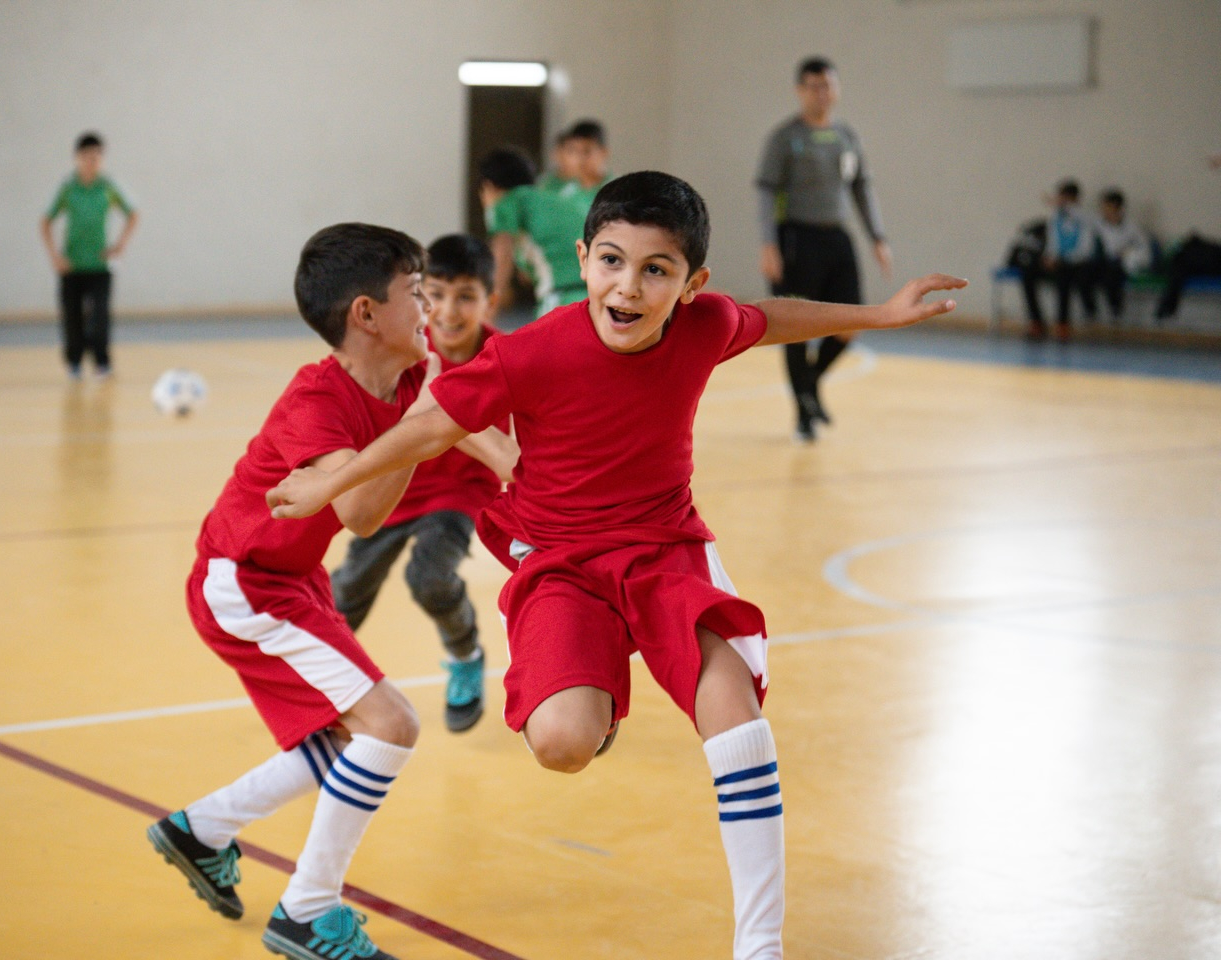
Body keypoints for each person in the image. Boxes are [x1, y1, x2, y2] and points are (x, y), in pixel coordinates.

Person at [267, 171, 966, 959]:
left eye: (655, 271)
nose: (627, 287)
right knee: (563, 743)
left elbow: (770, 319)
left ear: (691, 285)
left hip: (664, 550)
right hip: (560, 562)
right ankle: (586, 686)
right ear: (581, 259)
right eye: (610, 261)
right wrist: (333, 477)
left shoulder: (705, 326)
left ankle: (759, 946)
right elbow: (431, 424)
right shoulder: (534, 352)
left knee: (735, 716)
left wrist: (882, 313)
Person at [145, 223, 515, 960]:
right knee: (393, 725)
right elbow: (363, 512)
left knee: (347, 738)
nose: (433, 310)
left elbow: (483, 438)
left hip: (291, 579)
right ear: (365, 314)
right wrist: (425, 426)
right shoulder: (316, 401)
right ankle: (309, 910)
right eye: (417, 292)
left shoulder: (413, 373)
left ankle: (202, 830)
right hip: (244, 584)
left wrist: (521, 470)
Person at [330, 234, 509, 733]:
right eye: (437, 294)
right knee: (343, 596)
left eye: (467, 296)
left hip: (459, 494)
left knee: (430, 578)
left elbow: (516, 443)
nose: (449, 311)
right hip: (394, 488)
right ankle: (324, 684)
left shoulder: (504, 358)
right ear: (419, 297)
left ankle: (465, 652)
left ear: (490, 301)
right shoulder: (403, 349)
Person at [756, 57, 891, 443]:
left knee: (850, 324)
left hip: (837, 238)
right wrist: (768, 243)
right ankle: (803, 413)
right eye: (814, 86)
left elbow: (862, 187)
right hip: (796, 239)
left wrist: (878, 237)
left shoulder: (847, 135)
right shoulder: (785, 137)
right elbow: (766, 191)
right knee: (796, 328)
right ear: (801, 90)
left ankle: (809, 384)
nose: (822, 93)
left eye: (828, 85)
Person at [488, 119, 611, 319]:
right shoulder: (557, 192)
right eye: (573, 151)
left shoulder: (615, 193)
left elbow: (503, 249)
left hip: (586, 283)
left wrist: (491, 304)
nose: (579, 159)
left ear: (603, 152)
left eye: (586, 151)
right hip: (567, 284)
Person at [40, 132, 138, 379]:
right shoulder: (68, 188)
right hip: (72, 265)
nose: (91, 161)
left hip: (100, 264)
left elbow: (132, 213)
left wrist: (120, 245)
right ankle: (74, 362)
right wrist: (55, 256)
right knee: (72, 317)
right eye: (86, 157)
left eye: (96, 157)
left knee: (100, 315)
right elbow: (45, 220)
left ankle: (102, 363)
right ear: (77, 158)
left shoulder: (108, 188)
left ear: (102, 159)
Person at [1020, 179, 1097, 341]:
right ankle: (1036, 321)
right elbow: (1053, 243)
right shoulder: (1056, 217)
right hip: (1057, 261)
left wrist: (1063, 259)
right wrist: (1049, 258)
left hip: (1076, 263)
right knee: (1028, 273)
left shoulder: (1085, 219)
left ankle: (1063, 324)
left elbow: (1085, 251)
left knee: (1064, 277)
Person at [477, 146, 541, 310]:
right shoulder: (545, 200)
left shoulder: (503, 203)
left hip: (563, 293)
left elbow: (502, 253)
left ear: (489, 187)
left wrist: (488, 309)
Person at [1091, 189, 1152, 321]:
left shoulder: (1132, 226)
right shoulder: (1098, 224)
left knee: (1113, 273)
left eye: (1106, 206)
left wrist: (1127, 252)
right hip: (1105, 261)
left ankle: (1116, 312)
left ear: (1115, 207)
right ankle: (1091, 312)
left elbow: (1143, 248)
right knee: (1086, 272)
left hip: (1123, 263)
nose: (1103, 210)